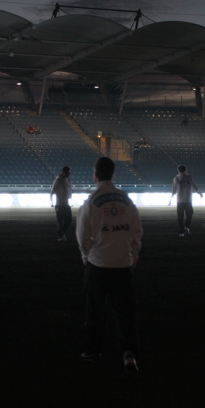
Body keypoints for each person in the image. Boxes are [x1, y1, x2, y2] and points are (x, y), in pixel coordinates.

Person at [76, 157, 143, 373]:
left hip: (98, 265)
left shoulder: (91, 200)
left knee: (95, 313)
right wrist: (132, 257)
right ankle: (129, 355)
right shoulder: (126, 199)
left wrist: (88, 257)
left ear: (95, 175)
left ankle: (93, 352)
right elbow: (136, 232)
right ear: (113, 174)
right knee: (126, 313)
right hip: (123, 265)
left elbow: (82, 235)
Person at [169, 165, 203, 236]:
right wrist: (199, 193)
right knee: (189, 215)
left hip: (180, 201)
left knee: (180, 217)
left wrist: (170, 199)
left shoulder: (176, 178)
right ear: (185, 170)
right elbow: (194, 186)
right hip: (188, 200)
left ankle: (181, 231)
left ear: (178, 170)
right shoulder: (189, 177)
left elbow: (173, 190)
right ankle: (187, 228)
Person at [50, 166, 72, 241]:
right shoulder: (58, 180)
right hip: (59, 204)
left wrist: (70, 199)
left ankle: (61, 234)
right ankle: (61, 236)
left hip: (66, 204)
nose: (69, 174)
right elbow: (52, 192)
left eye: (69, 172)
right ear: (63, 172)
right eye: (68, 172)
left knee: (69, 220)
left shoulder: (68, 180)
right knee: (61, 221)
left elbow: (69, 190)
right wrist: (52, 202)